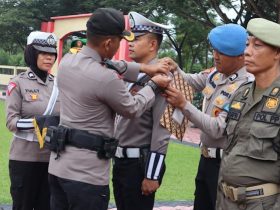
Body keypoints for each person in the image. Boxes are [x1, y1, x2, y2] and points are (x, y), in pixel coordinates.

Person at [47, 8, 171, 210]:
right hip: (87, 176)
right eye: (120, 41)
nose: (126, 44)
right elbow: (131, 108)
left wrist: (145, 69)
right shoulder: (106, 78)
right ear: (108, 43)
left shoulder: (68, 62)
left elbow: (112, 64)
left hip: (59, 167)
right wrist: (153, 85)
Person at [164, 24, 254, 210]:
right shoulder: (216, 74)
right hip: (206, 161)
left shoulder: (245, 87)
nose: (215, 56)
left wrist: (183, 105)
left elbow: (217, 128)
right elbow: (190, 81)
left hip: (225, 166)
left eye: (222, 52)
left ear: (240, 55)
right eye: (214, 50)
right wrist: (175, 70)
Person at [216, 18, 280, 210]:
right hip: (226, 200)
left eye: (257, 45)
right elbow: (230, 150)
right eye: (247, 44)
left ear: (277, 52)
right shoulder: (241, 94)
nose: (247, 51)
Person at [112, 11, 172, 210]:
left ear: (153, 44)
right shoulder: (136, 74)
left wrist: (152, 175)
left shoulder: (162, 78)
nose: (130, 43)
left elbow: (162, 129)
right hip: (121, 162)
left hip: (140, 166)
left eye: (137, 39)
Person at [5, 31, 59, 210]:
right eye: (43, 53)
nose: (49, 58)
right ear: (32, 54)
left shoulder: (58, 84)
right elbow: (11, 122)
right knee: (23, 206)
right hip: (24, 158)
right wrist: (39, 123)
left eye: (52, 54)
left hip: (52, 159)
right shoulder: (18, 83)